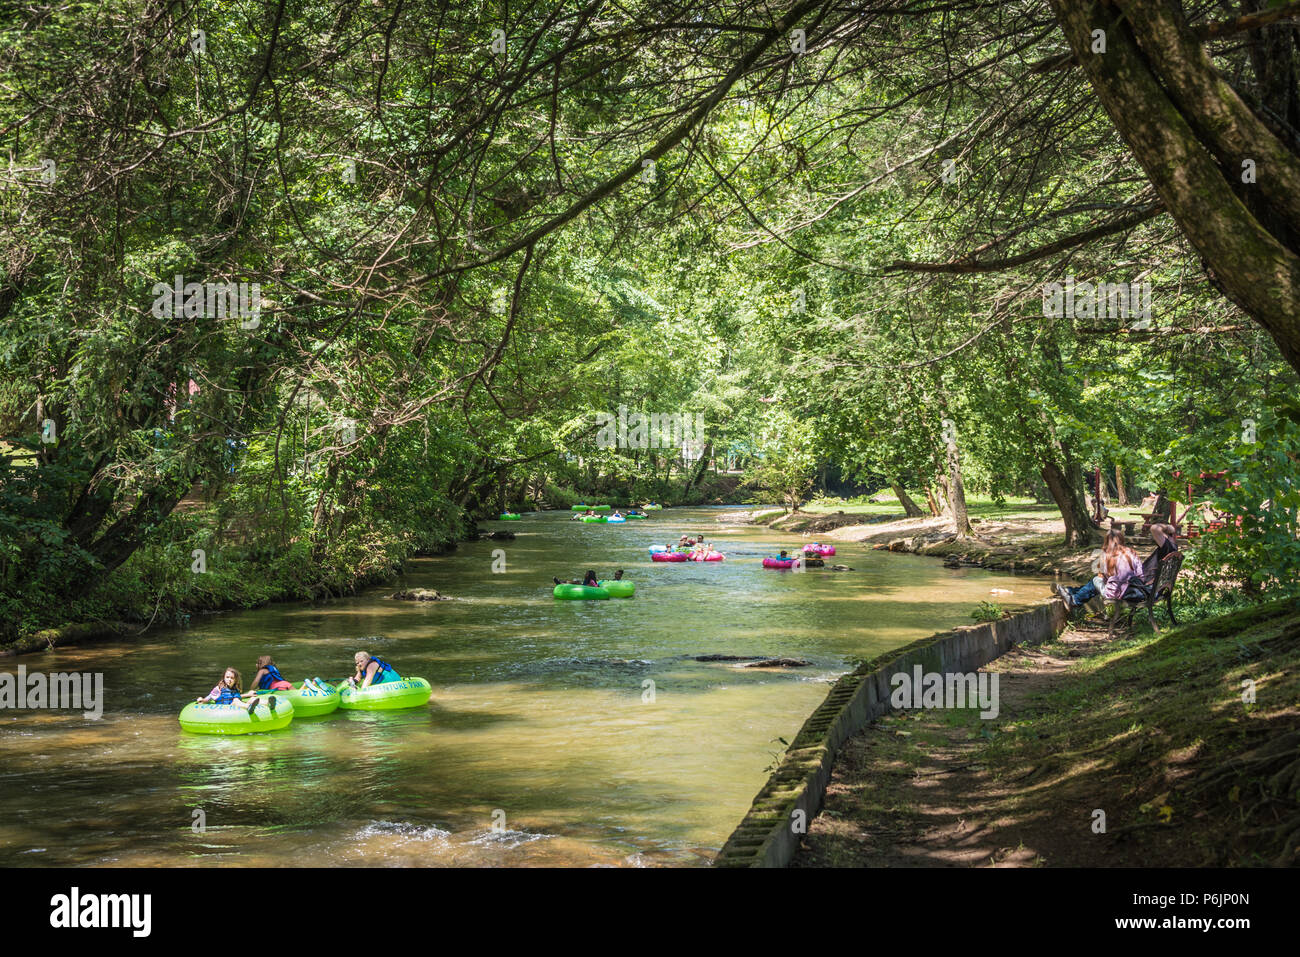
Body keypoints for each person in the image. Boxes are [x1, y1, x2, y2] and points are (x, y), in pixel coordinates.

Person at [196, 667, 272, 714]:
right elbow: (209, 698)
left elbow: (238, 696)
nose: (229, 679)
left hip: (236, 703)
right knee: (236, 701)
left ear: (235, 680)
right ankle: (248, 707)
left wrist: (248, 695)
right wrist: (202, 700)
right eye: (227, 677)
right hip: (226, 707)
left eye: (232, 678)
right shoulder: (218, 689)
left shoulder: (235, 689)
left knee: (252, 699)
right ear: (224, 678)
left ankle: (269, 703)